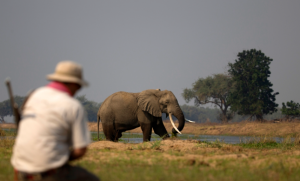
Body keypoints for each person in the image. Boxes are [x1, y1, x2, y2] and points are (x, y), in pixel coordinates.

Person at [11, 61, 99, 181]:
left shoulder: (32, 96)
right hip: (49, 173)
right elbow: (80, 150)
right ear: (74, 83)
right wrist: (58, 154)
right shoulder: (73, 106)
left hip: (20, 170)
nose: (78, 89)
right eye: (79, 86)